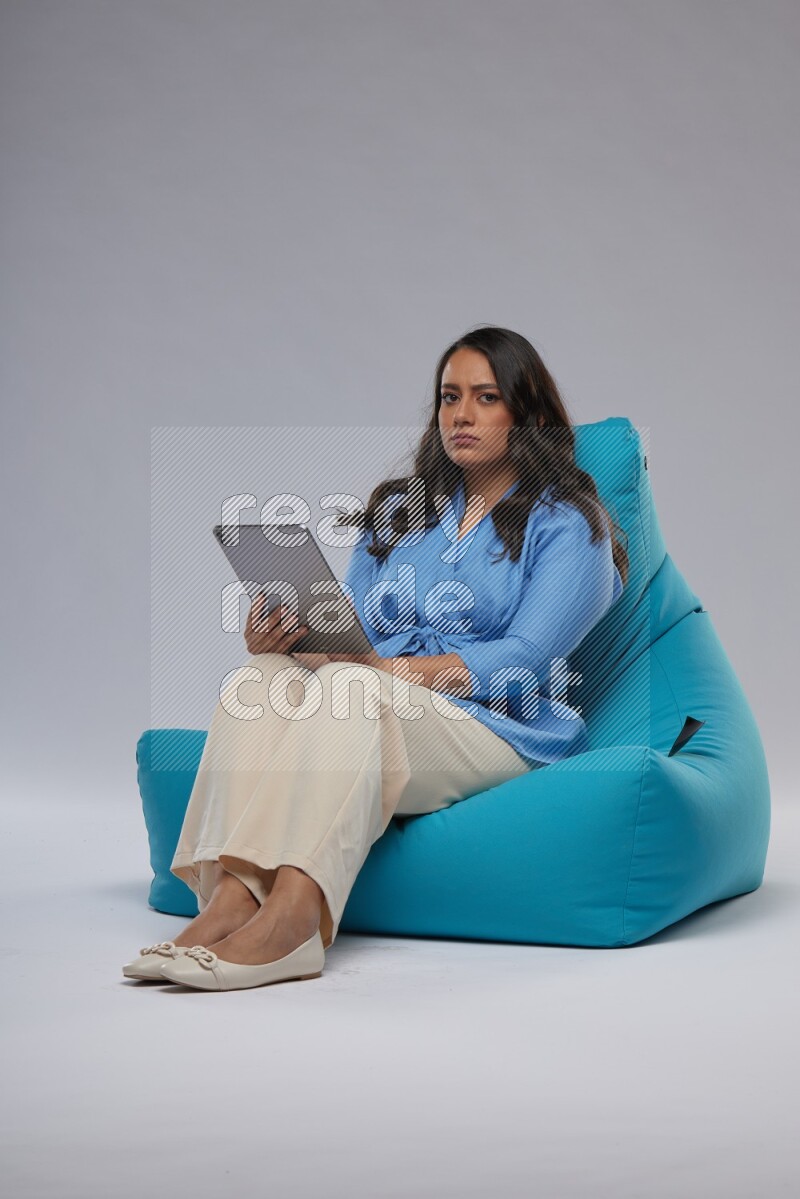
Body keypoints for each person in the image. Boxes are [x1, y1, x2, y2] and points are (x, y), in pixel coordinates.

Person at [122, 325, 628, 991]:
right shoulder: (399, 512)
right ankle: (227, 904)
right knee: (262, 679)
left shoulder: (569, 524)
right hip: (379, 708)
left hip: (499, 729)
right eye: (449, 397)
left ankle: (292, 924)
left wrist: (384, 673)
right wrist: (291, 639)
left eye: (485, 397)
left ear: (529, 416)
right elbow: (353, 636)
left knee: (350, 691)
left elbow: (524, 659)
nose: (461, 415)